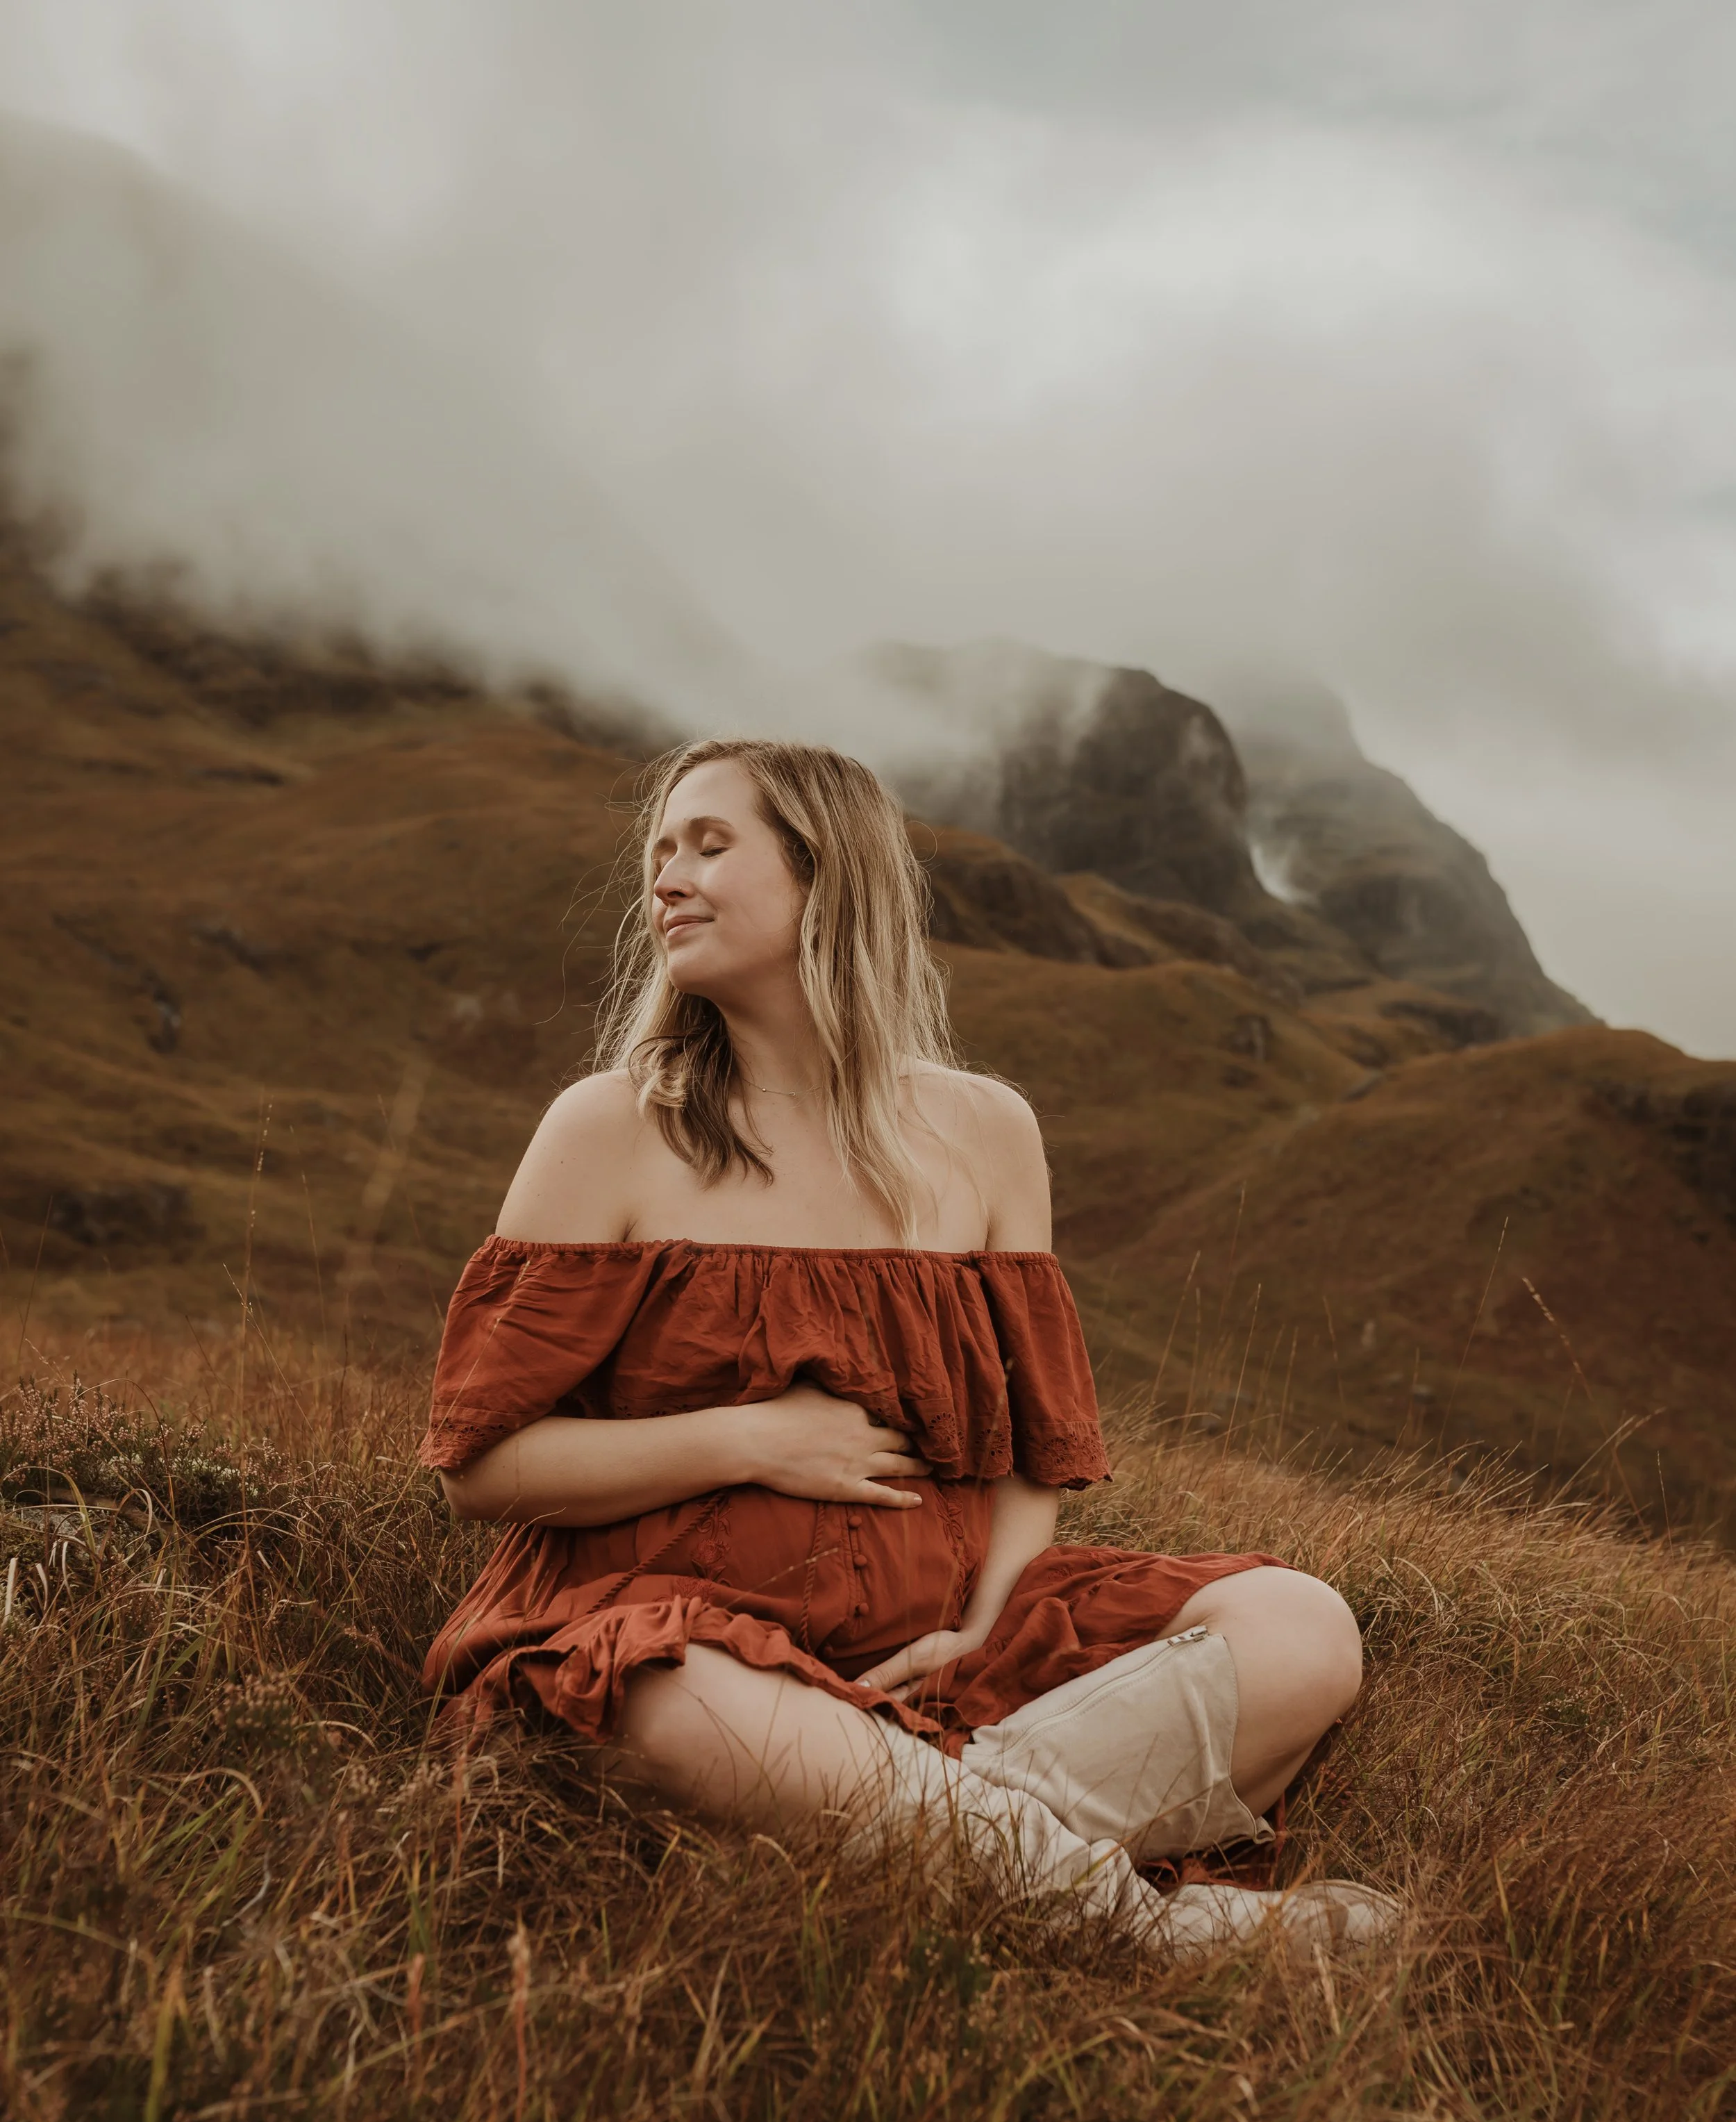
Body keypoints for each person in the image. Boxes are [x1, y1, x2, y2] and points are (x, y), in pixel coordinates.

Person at [419, 739, 1395, 1957]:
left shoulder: (987, 1132)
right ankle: (1156, 1933)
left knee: (1303, 1626)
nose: (665, 878)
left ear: (828, 876)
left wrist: (987, 1625)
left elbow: (1034, 1454)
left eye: (710, 845)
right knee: (662, 1698)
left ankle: (890, 1837)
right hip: (680, 1645)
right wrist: (749, 1439)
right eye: (659, 851)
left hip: (940, 1655)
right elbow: (482, 1463)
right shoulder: (612, 1128)